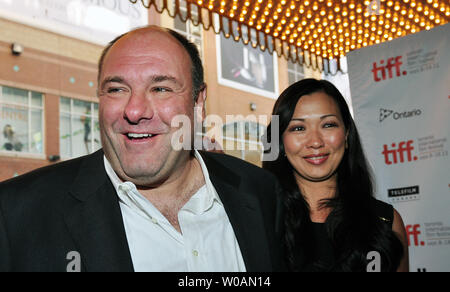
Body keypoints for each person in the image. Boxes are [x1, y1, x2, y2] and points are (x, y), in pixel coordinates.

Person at [0, 26, 285, 272]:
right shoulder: (17, 215)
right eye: (116, 89)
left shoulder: (259, 191)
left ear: (198, 104)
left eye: (160, 88)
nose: (134, 111)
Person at [263, 79, 409, 272]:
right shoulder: (261, 220)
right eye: (298, 128)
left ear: (347, 135)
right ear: (280, 142)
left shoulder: (384, 221)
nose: (315, 142)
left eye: (328, 125)